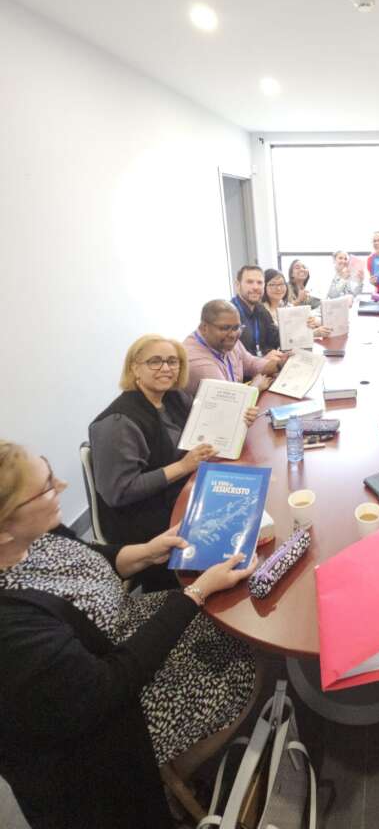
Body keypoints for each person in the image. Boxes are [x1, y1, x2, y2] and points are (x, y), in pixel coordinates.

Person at [0, 441, 263, 829]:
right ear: (4, 529)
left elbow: (87, 560)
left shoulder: (33, 537)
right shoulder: (12, 628)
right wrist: (196, 592)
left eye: (50, 472)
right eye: (47, 488)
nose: (63, 485)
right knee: (241, 671)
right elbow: (108, 685)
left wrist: (147, 551)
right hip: (107, 723)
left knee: (227, 626)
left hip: (119, 634)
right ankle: (169, 780)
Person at [89, 335, 216, 589]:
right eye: (155, 361)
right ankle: (194, 593)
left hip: (179, 491)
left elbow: (203, 427)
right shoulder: (117, 423)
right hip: (142, 517)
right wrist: (183, 466)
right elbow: (119, 492)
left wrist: (238, 419)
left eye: (172, 361)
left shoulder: (174, 397)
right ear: (134, 368)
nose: (166, 368)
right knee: (220, 530)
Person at [184, 299, 284, 396]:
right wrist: (254, 388)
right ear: (204, 327)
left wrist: (280, 364)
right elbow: (226, 400)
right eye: (224, 328)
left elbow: (251, 363)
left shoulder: (224, 342)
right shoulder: (198, 361)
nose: (233, 334)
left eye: (236, 327)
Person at [261, 269, 330, 339]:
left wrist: (309, 323)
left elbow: (298, 330)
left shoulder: (287, 306)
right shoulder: (262, 311)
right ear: (264, 286)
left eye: (281, 284)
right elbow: (281, 337)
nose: (278, 288)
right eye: (272, 284)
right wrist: (313, 333)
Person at [231, 264, 281, 356]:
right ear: (238, 285)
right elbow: (229, 356)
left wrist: (303, 327)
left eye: (259, 283)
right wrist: (262, 360)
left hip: (266, 363)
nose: (255, 287)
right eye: (250, 282)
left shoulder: (262, 310)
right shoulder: (228, 314)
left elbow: (276, 339)